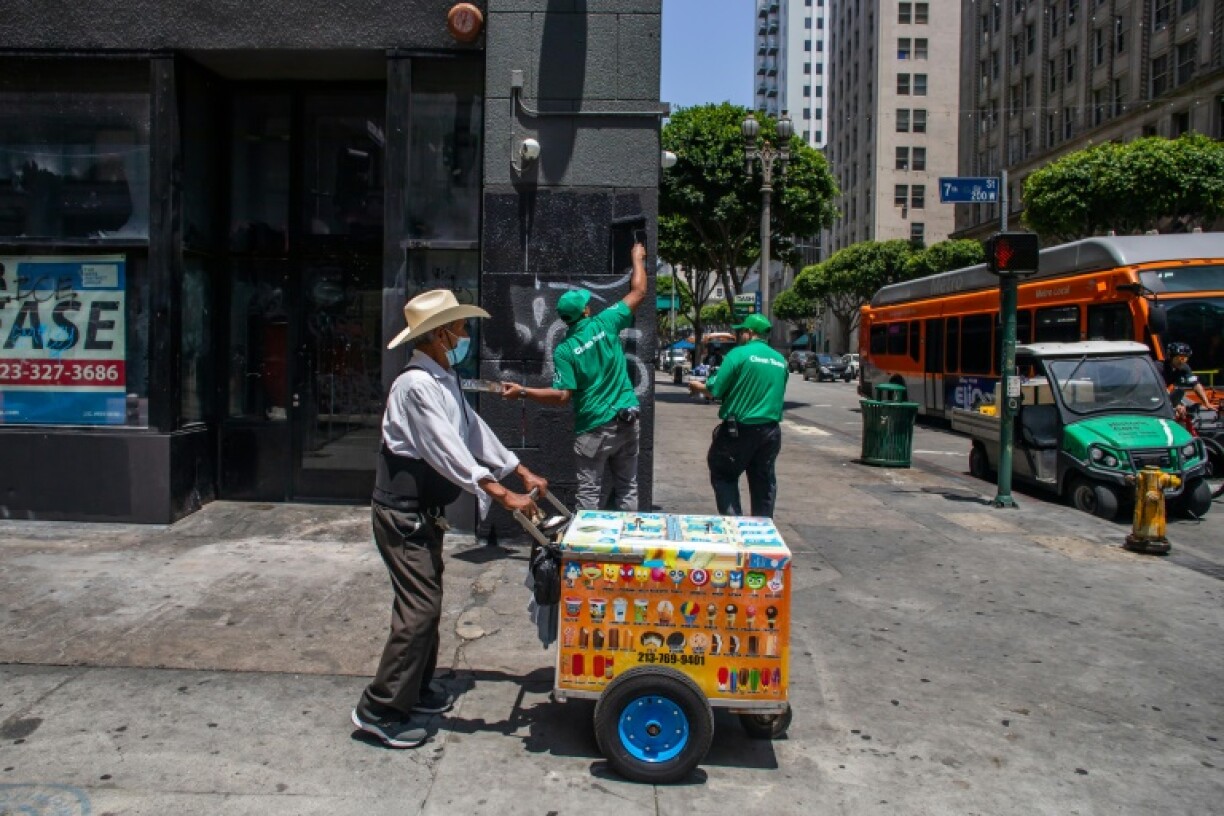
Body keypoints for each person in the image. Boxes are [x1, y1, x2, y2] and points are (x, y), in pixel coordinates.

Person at [352, 289, 548, 749]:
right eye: (459, 329)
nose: (464, 335)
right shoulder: (416, 385)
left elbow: (472, 430)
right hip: (401, 515)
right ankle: (380, 710)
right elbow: (447, 449)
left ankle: (416, 690)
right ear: (440, 334)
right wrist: (502, 493)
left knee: (426, 603)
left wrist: (517, 468)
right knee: (419, 610)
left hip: (422, 513)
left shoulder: (443, 378)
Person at [500, 242, 648, 510]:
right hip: (627, 420)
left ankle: (587, 548)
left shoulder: (565, 351)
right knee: (627, 487)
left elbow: (561, 396)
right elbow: (639, 290)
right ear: (586, 311)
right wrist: (637, 258)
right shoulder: (606, 322)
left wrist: (523, 391)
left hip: (593, 428)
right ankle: (628, 546)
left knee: (589, 494)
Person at [688, 313, 788, 517]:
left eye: (741, 331)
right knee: (764, 482)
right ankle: (762, 530)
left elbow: (715, 389)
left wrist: (696, 386)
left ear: (750, 333)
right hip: (770, 432)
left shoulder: (738, 355)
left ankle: (735, 528)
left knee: (723, 475)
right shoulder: (780, 361)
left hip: (739, 431)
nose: (739, 334)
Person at [1163, 342, 1216, 420]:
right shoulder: (1159, 368)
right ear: (1171, 356)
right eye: (1180, 358)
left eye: (1186, 358)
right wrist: (1177, 406)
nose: (1183, 361)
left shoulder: (1184, 368)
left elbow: (1196, 384)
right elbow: (1160, 390)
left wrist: (1206, 403)